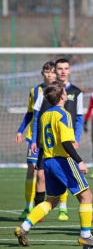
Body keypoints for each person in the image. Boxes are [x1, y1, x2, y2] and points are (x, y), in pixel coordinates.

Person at [14, 81, 93, 247]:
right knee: (86, 196)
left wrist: (40, 163)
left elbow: (43, 143)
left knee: (51, 200)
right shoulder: (63, 115)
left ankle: (24, 227)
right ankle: (85, 236)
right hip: (62, 160)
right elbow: (66, 143)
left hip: (48, 161)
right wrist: (79, 161)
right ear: (63, 96)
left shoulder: (44, 115)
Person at [31, 58, 84, 221]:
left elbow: (80, 118)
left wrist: (76, 138)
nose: (62, 71)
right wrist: (34, 140)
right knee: (41, 177)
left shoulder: (76, 92)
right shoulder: (47, 92)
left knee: (63, 185)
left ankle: (63, 209)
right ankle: (35, 213)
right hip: (50, 146)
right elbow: (36, 117)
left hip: (67, 144)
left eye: (65, 68)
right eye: (59, 68)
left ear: (69, 71)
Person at [15, 61, 56, 220]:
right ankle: (28, 207)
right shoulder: (35, 91)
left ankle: (62, 208)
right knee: (32, 170)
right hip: (35, 139)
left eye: (52, 72)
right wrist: (20, 130)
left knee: (48, 174)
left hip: (52, 140)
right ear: (42, 73)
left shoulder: (60, 90)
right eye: (47, 71)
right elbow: (30, 113)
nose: (50, 74)